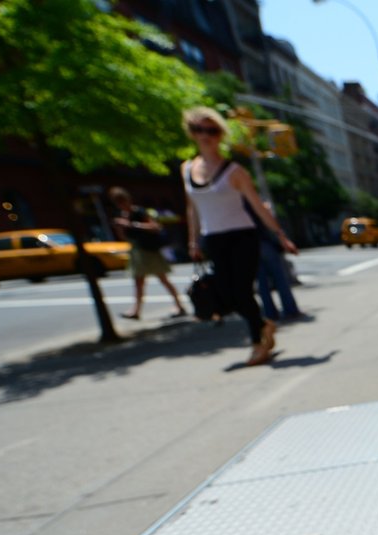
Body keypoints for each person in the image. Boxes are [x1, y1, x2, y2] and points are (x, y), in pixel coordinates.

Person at [181, 106, 298, 366]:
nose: (205, 135)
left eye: (211, 130)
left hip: (242, 235)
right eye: (198, 129)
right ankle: (263, 324)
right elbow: (193, 208)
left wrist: (280, 236)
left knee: (243, 291)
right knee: (226, 294)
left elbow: (258, 206)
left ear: (220, 134)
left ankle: (258, 344)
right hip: (214, 238)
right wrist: (193, 240)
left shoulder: (235, 171)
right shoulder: (187, 169)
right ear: (191, 133)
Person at [108, 187, 187, 320]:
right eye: (118, 202)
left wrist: (131, 224)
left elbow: (155, 227)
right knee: (138, 282)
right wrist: (120, 228)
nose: (121, 204)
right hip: (137, 251)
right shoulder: (122, 215)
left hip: (149, 250)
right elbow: (125, 237)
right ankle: (136, 310)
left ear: (128, 199)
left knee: (163, 279)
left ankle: (179, 306)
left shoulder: (139, 212)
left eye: (122, 201)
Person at [249, 200, 302, 322]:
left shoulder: (237, 205)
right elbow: (269, 220)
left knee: (262, 283)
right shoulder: (256, 203)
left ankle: (270, 313)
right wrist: (282, 238)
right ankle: (290, 309)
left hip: (250, 246)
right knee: (280, 277)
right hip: (265, 243)